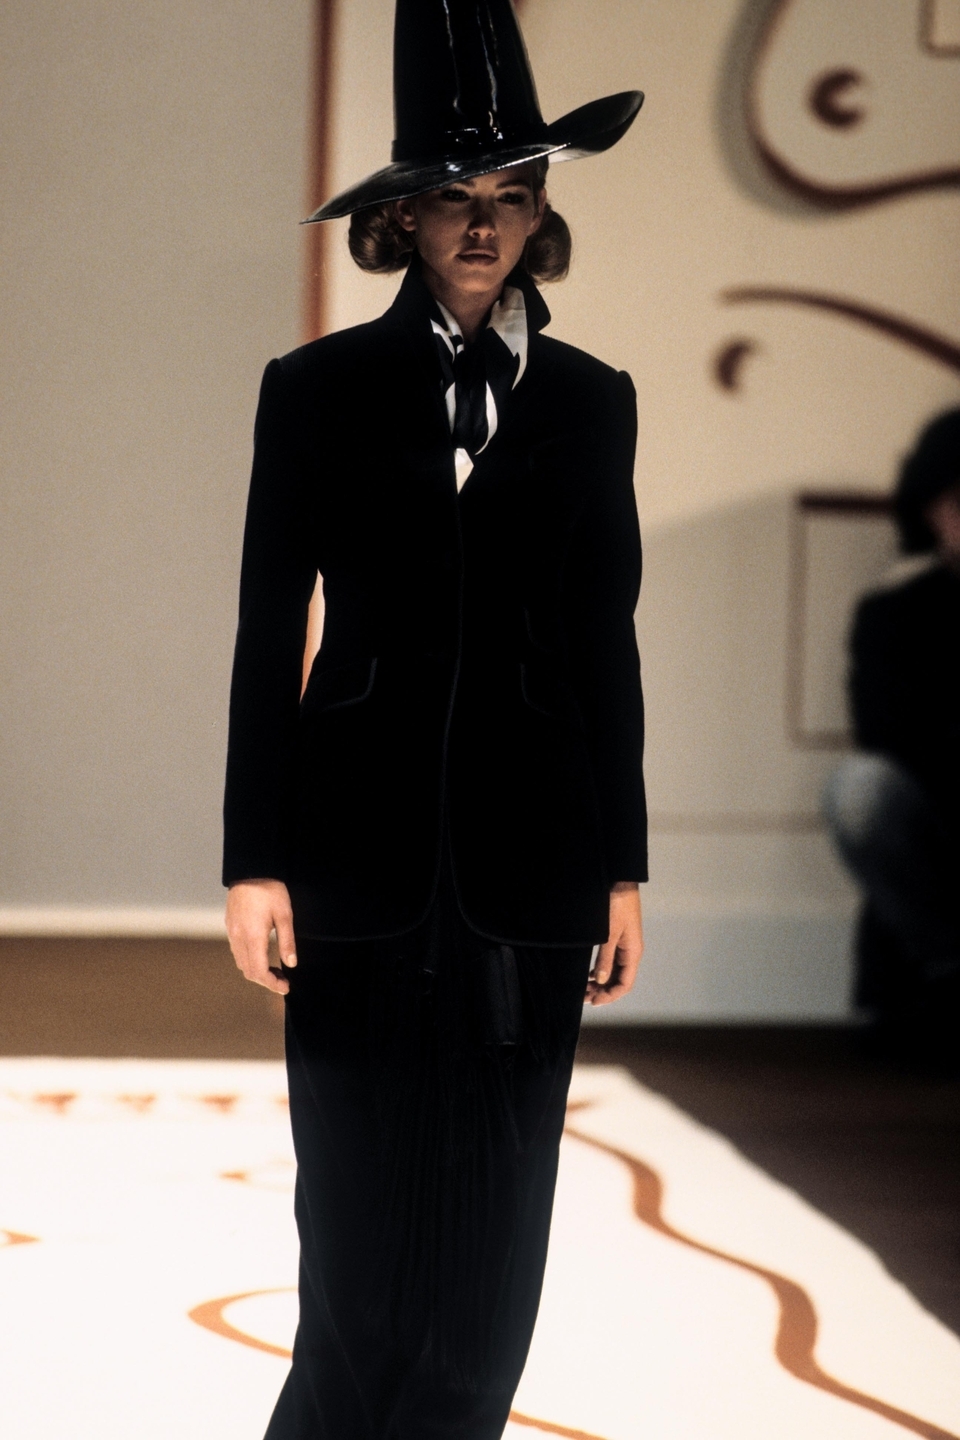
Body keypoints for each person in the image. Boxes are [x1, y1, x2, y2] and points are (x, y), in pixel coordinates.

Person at [223, 2, 648, 1435]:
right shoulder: (315, 392)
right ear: (401, 217)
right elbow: (267, 626)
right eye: (456, 197)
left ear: (540, 217)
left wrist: (624, 866)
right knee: (353, 1244)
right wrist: (252, 858)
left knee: (492, 1259)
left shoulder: (593, 402)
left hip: (535, 867)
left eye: (511, 196)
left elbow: (603, 640)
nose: (483, 223)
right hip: (352, 853)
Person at [823, 408, 960, 1064]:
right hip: (938, 822)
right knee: (861, 789)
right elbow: (887, 734)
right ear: (931, 512)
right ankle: (947, 973)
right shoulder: (894, 614)